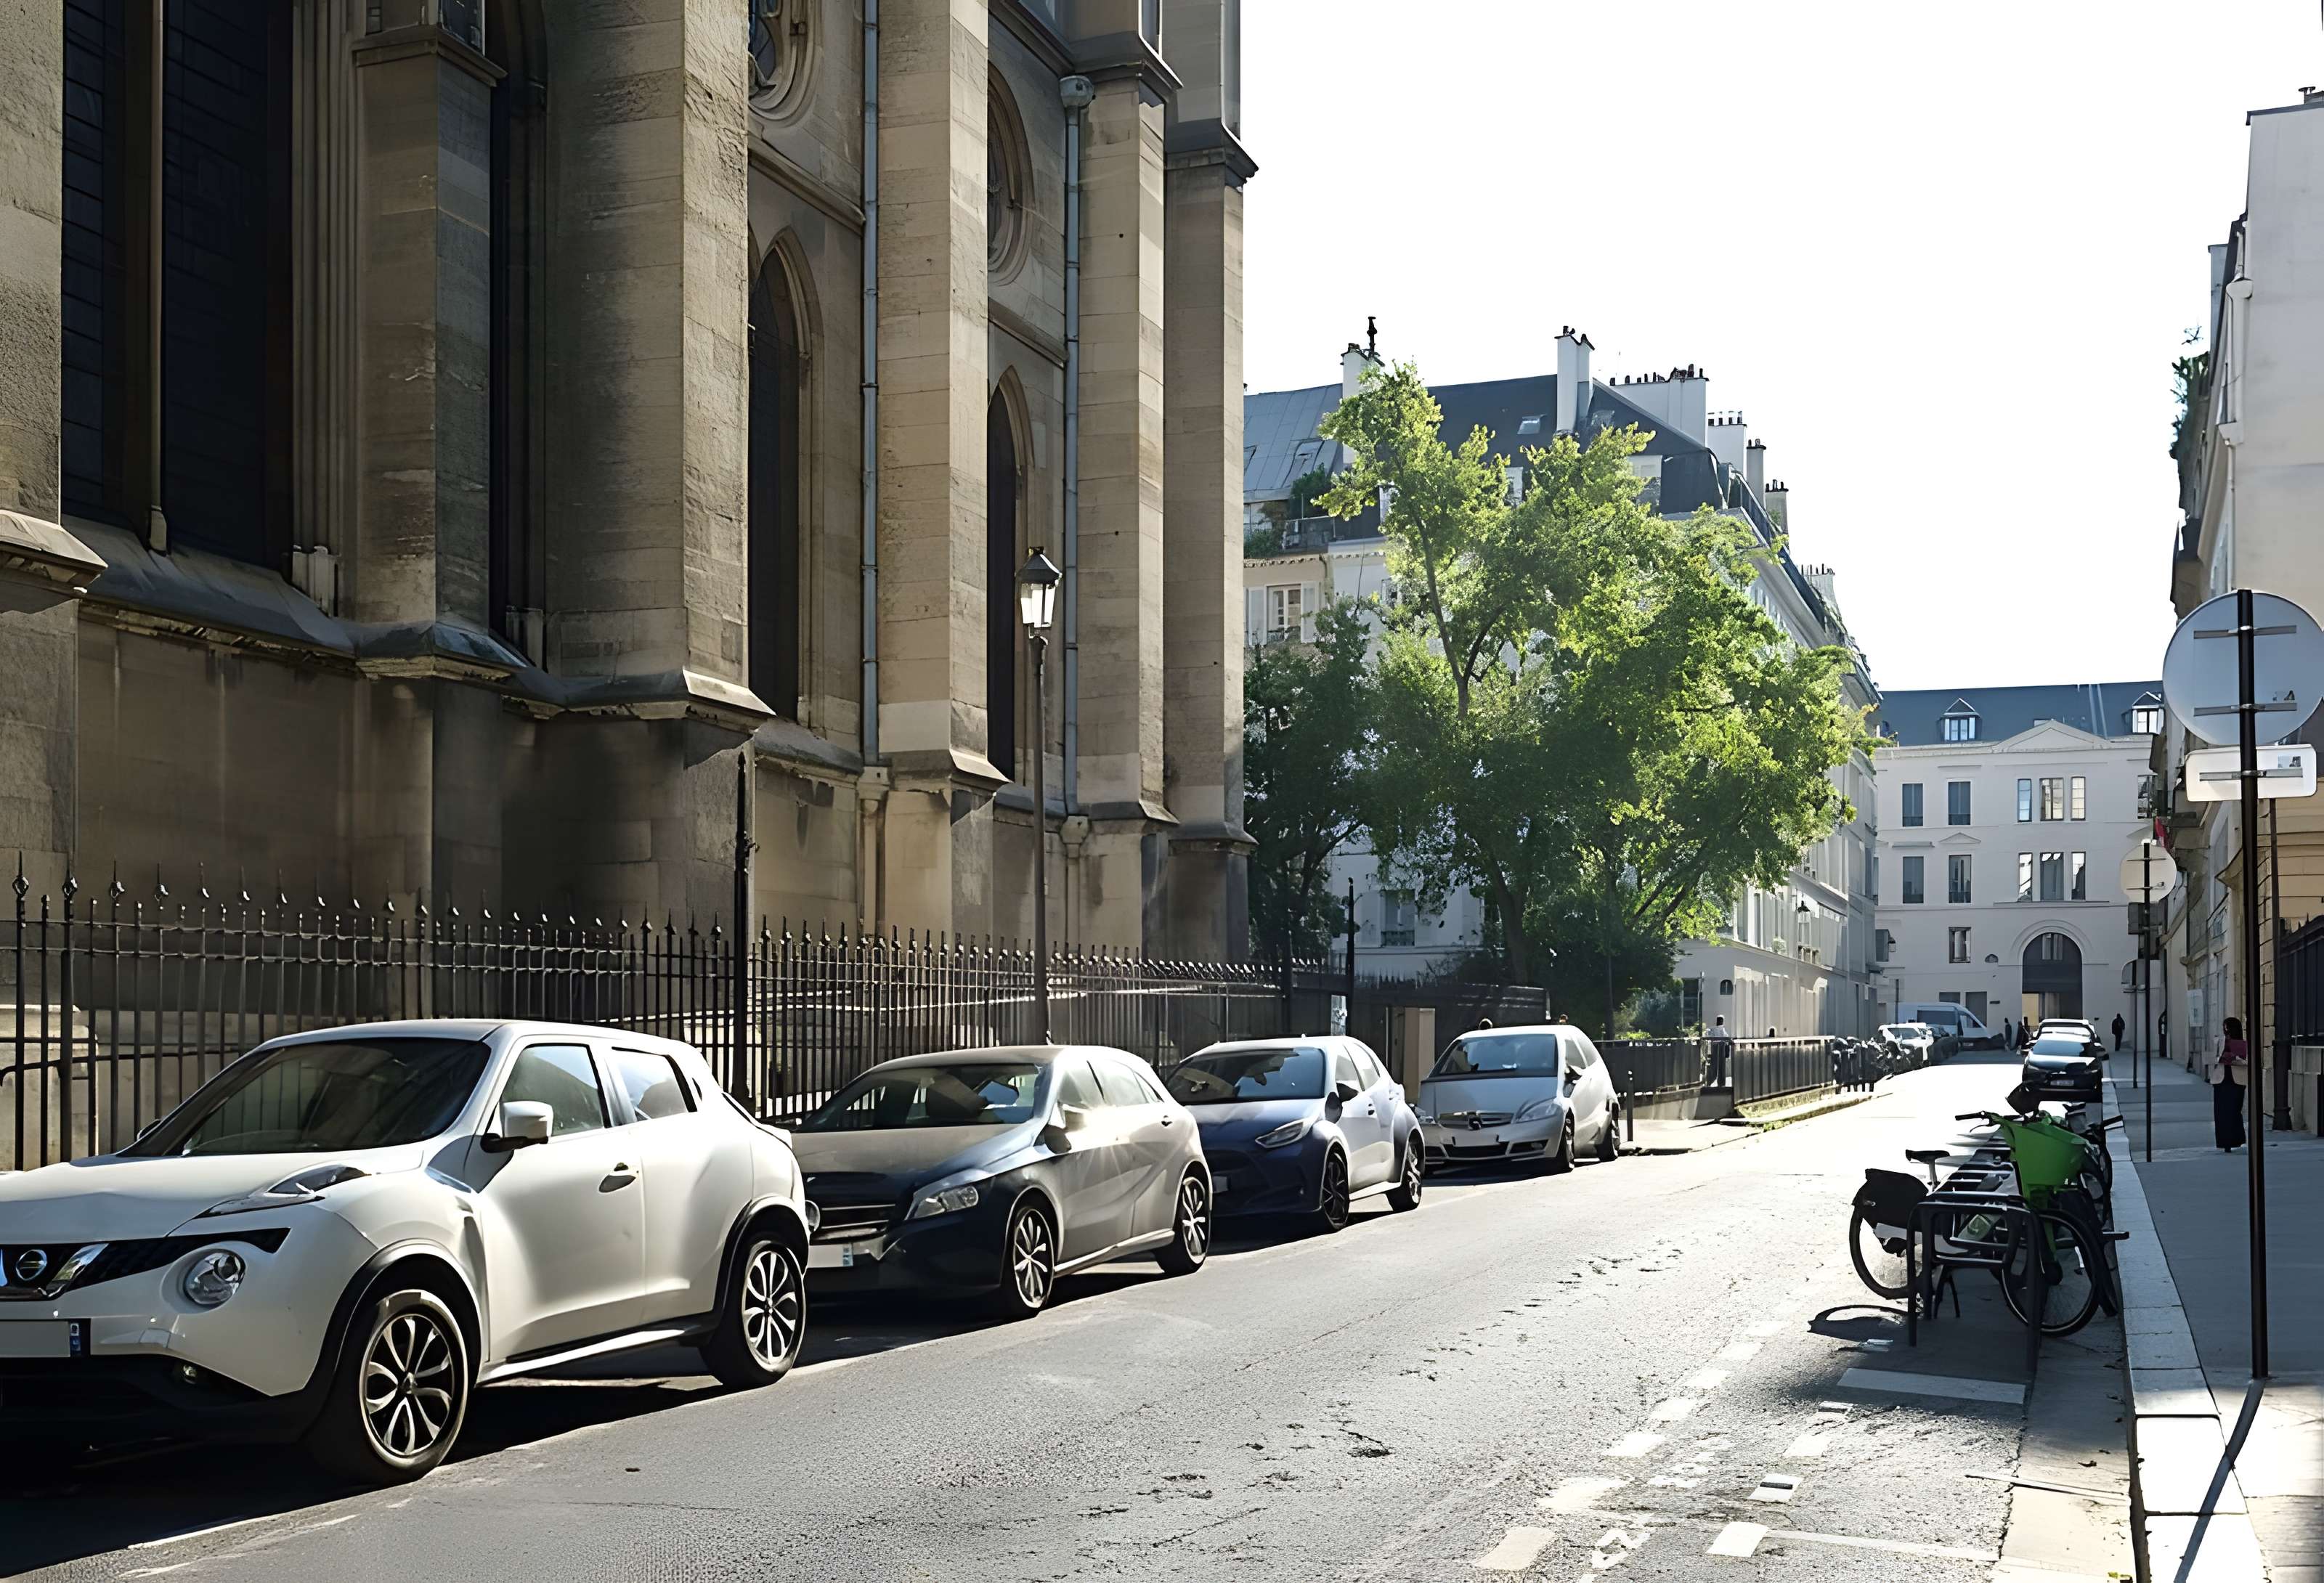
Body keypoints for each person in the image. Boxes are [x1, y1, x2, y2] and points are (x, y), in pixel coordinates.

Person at [2211, 1017, 2249, 1151]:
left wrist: (2235, 1058)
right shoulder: (2219, 1041)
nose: (2225, 1030)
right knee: (2221, 1112)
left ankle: (2236, 1140)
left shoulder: (2243, 1043)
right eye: (2224, 1027)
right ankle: (2224, 1142)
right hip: (2221, 1079)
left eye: (2227, 1027)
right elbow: (2212, 1057)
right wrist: (2220, 1057)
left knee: (2234, 1111)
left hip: (2236, 1080)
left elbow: (2247, 1062)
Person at [1707, 1016, 1734, 1087]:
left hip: (1717, 1049)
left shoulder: (1715, 1029)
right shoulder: (1716, 1029)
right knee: (1718, 1065)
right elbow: (1726, 1037)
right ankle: (1719, 1082)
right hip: (1718, 1049)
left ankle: (1717, 1081)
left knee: (1716, 1065)